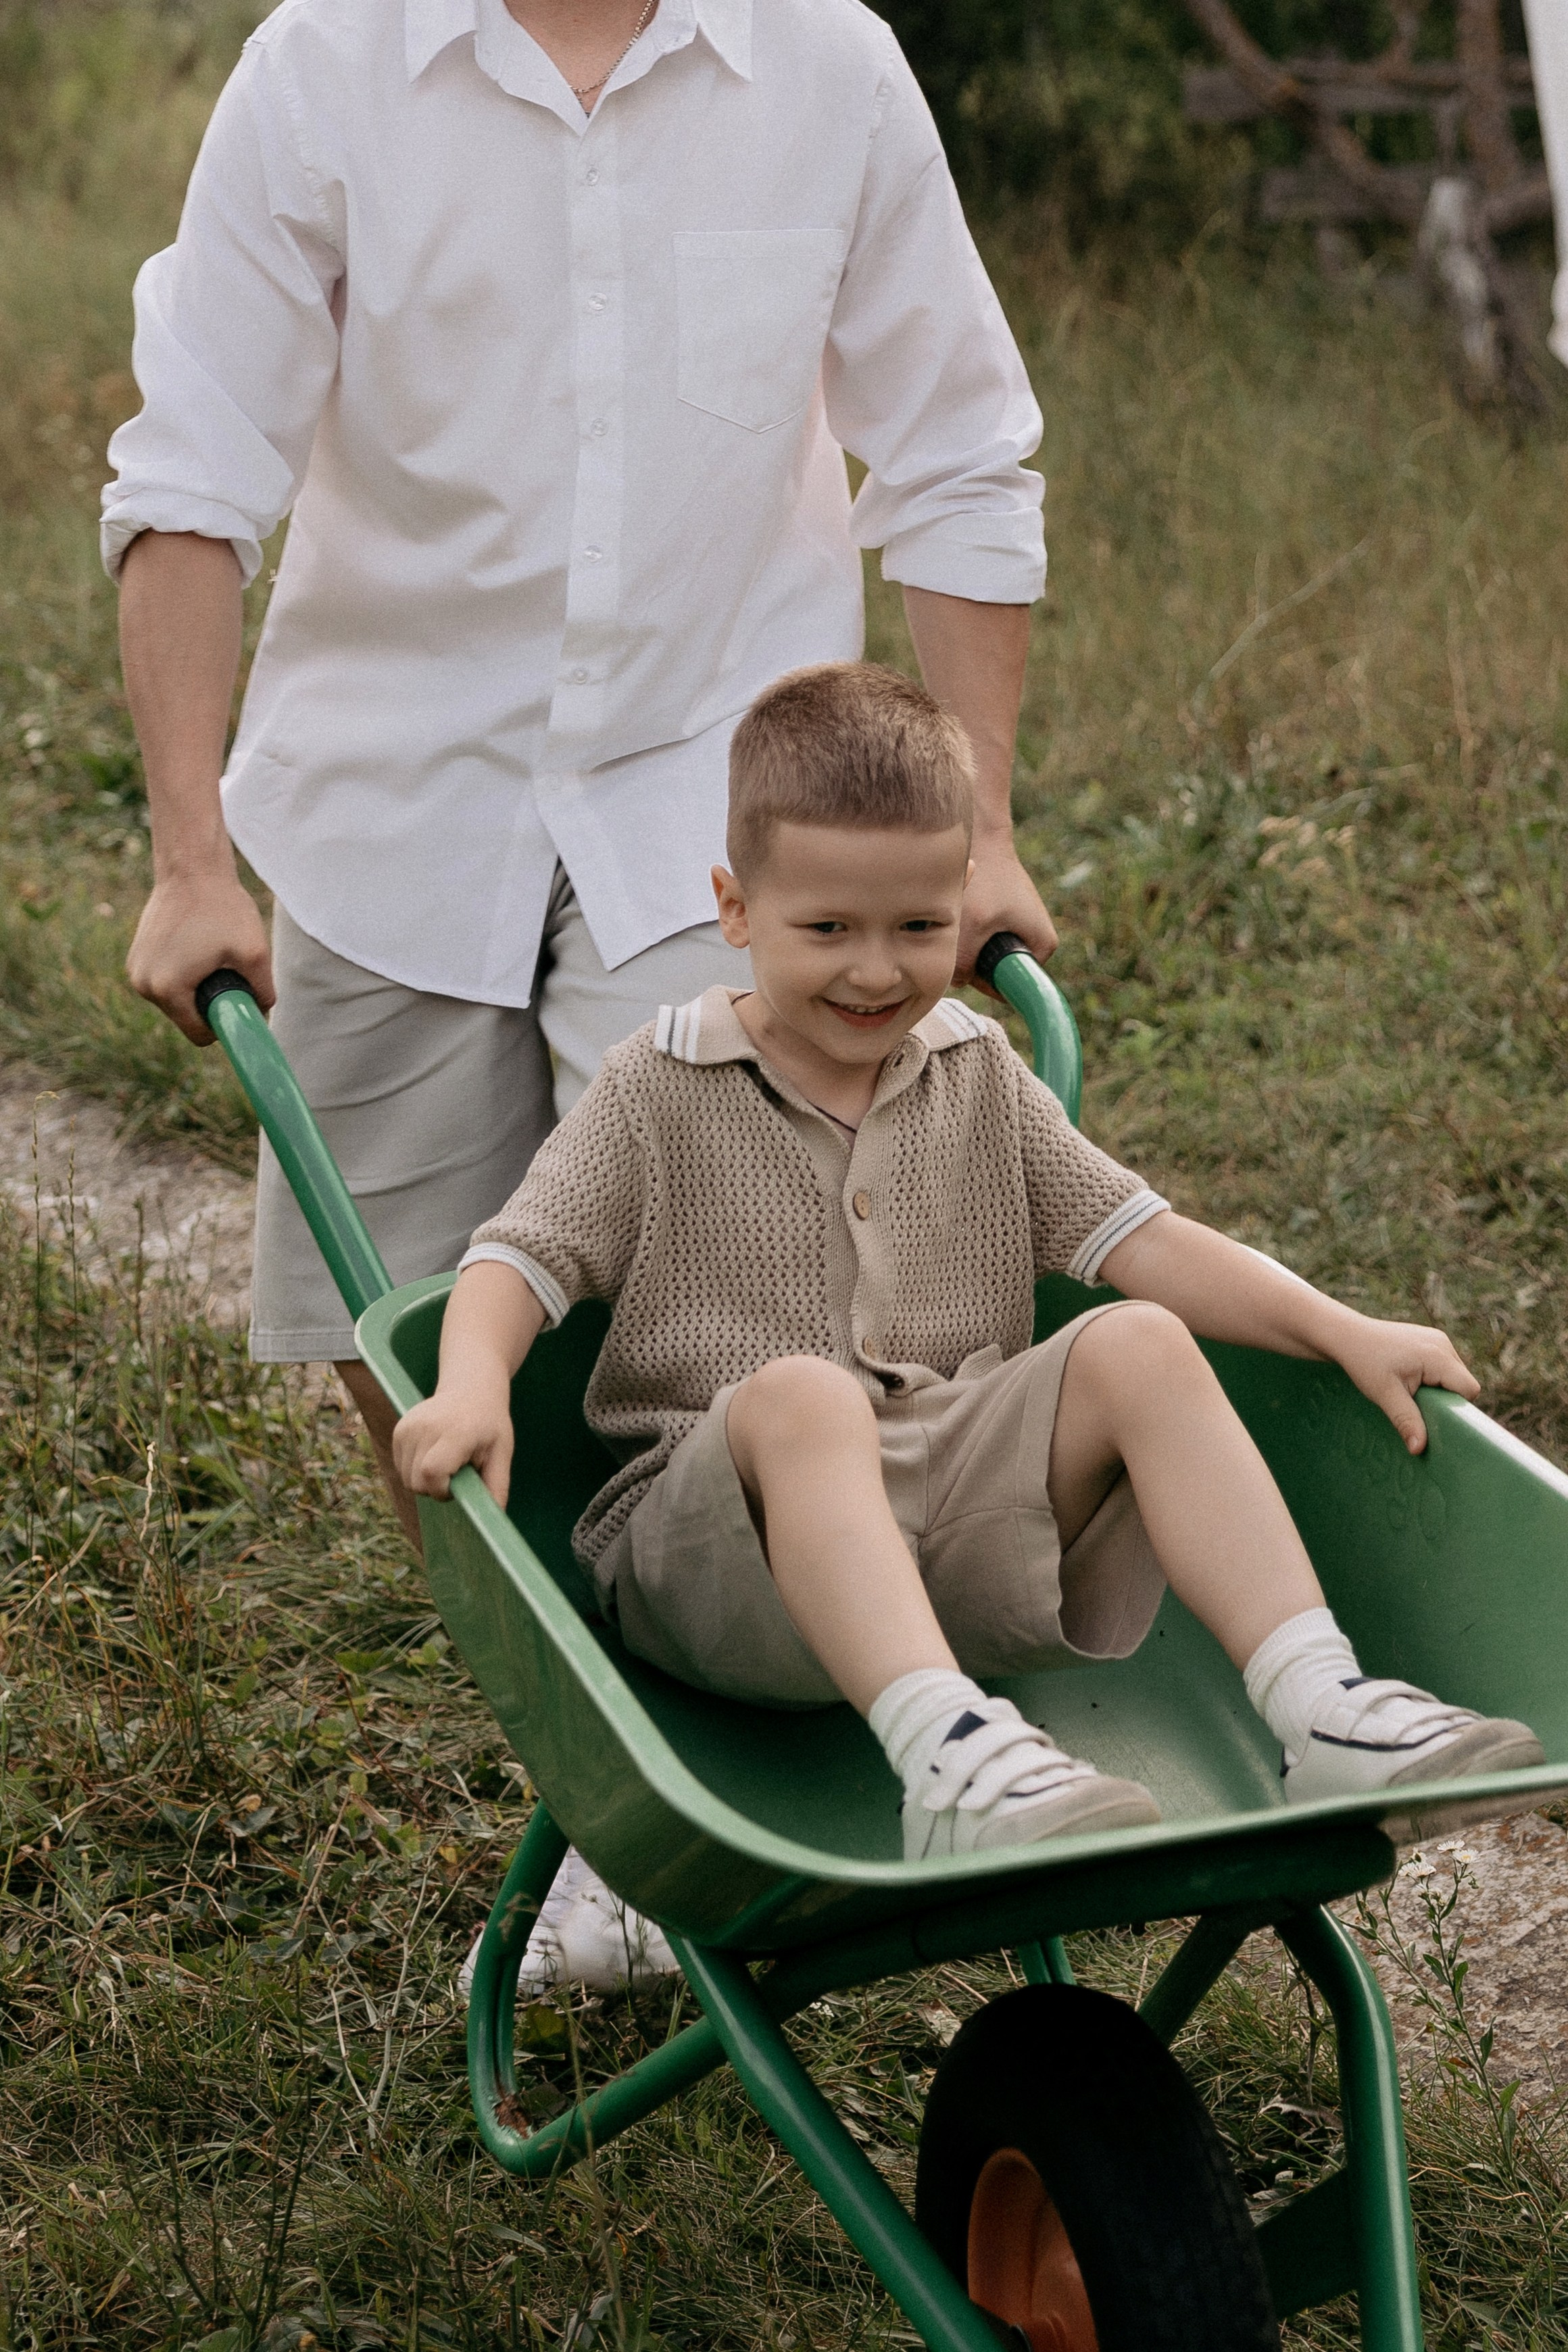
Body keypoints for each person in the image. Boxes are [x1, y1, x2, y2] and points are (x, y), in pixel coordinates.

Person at [101, 0, 1055, 1969]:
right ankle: (607, 1766)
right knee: (412, 1335)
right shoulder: (326, 69)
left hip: (715, 801)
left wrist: (980, 826)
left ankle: (731, 1773)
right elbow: (192, 471)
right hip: (391, 790)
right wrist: (194, 860)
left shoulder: (825, 64)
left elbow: (957, 451)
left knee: (734, 1305)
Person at [394, 662, 1541, 1853]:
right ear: (735, 909)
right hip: (725, 1565)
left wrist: (1344, 1330)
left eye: (919, 928)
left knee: (1140, 1341)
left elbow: (1148, 1238)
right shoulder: (659, 1085)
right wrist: (473, 1384)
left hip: (956, 1537)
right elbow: (516, 1257)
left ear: (959, 903)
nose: (876, 971)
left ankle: (1321, 1704)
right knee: (807, 1398)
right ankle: (950, 1758)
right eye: (827, 929)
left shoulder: (976, 1070)